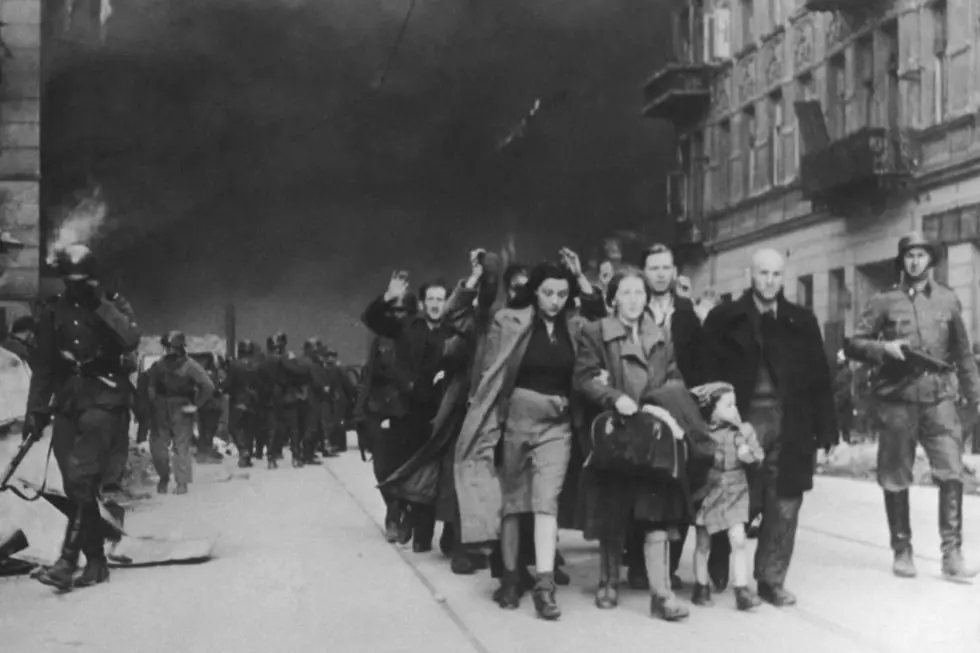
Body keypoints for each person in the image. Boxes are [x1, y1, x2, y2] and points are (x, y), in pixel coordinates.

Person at [701, 248, 838, 606]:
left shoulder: (801, 321)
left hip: (791, 421)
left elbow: (819, 378)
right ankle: (719, 558)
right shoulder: (725, 318)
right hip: (741, 419)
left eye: (776, 274)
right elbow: (705, 375)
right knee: (733, 493)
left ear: (784, 276)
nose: (769, 281)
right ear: (751, 274)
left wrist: (827, 431)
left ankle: (770, 579)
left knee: (786, 501)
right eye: (763, 273)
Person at [456, 260, 587, 621]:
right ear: (535, 291)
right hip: (514, 422)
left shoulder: (575, 328)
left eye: (563, 293)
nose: (556, 300)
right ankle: (511, 579)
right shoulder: (508, 321)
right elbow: (489, 373)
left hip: (557, 426)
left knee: (547, 502)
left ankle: (545, 586)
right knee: (513, 503)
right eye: (548, 293)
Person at [847, 232, 980, 581]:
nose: (915, 261)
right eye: (909, 255)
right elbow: (854, 343)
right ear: (902, 261)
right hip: (898, 401)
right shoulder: (884, 301)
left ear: (931, 261)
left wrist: (976, 395)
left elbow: (963, 355)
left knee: (952, 473)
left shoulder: (948, 301)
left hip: (939, 401)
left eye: (921, 255)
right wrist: (883, 349)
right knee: (895, 477)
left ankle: (952, 553)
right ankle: (902, 549)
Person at [575, 268, 702, 621]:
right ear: (612, 297)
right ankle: (608, 581)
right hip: (616, 433)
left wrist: (661, 402)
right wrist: (613, 396)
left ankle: (661, 594)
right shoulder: (595, 332)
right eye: (626, 293)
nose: (633, 300)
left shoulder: (660, 334)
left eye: (639, 293)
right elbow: (584, 377)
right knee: (613, 510)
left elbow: (675, 376)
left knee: (655, 511)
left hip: (653, 432)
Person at [24, 244, 140, 591]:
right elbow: (44, 365)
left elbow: (130, 338)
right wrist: (35, 409)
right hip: (69, 403)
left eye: (81, 281)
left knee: (82, 476)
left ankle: (67, 560)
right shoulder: (53, 312)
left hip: (104, 399)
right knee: (75, 485)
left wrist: (101, 305)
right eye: (70, 281)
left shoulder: (111, 307)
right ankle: (97, 561)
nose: (75, 287)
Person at [362, 274, 452, 552]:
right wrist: (388, 297)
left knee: (441, 474)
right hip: (410, 411)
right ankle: (417, 529)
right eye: (431, 300)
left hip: (446, 411)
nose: (436, 305)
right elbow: (373, 319)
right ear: (423, 304)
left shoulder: (454, 330)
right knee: (412, 471)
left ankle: (445, 535)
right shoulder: (407, 327)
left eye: (441, 299)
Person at [689, 382, 763, 611]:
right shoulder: (703, 433)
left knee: (739, 539)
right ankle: (701, 586)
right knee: (703, 542)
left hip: (736, 490)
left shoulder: (744, 431)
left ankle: (741, 589)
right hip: (710, 491)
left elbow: (758, 457)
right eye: (728, 405)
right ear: (712, 409)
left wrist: (747, 454)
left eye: (735, 404)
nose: (734, 409)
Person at [146, 330, 215, 495]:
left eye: (172, 347)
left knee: (181, 447)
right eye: (167, 347)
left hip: (182, 407)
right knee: (158, 447)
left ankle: (182, 482)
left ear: (179, 348)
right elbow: (151, 384)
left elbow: (208, 386)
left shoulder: (191, 366)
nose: (169, 351)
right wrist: (153, 401)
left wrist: (196, 406)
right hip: (161, 408)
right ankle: (163, 478)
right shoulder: (159, 365)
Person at [227, 339, 262, 468]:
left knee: (233, 427)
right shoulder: (257, 365)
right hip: (252, 400)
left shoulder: (235, 365)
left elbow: (229, 383)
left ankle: (243, 450)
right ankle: (247, 457)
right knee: (249, 430)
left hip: (237, 400)